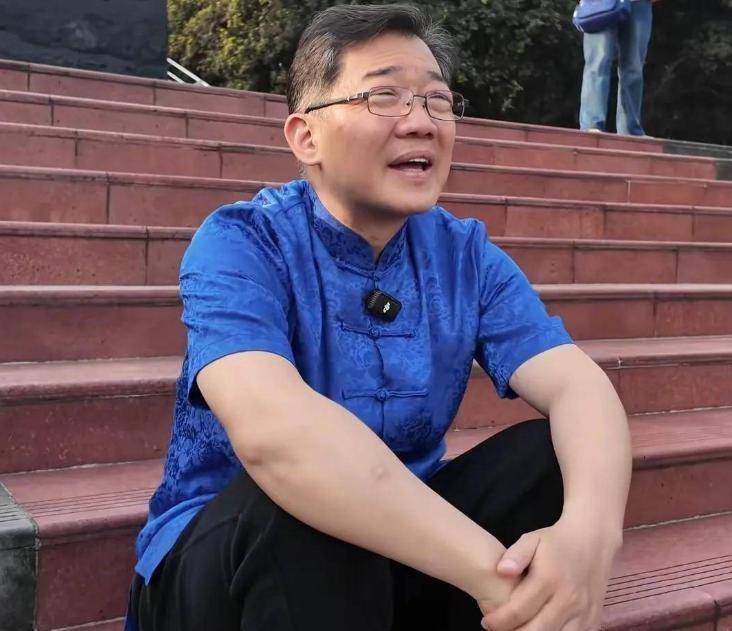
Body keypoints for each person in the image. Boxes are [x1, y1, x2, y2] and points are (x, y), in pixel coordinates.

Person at [126, 4, 633, 630]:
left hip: (399, 556)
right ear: (306, 137)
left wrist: (589, 535)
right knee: (299, 506)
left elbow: (580, 388)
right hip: (229, 565)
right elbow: (273, 437)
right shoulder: (242, 243)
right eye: (383, 97)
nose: (420, 122)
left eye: (437, 101)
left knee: (553, 457)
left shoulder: (465, 255)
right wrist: (493, 577)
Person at [579, 0, 657, 135]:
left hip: (639, 3)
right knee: (598, 62)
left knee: (634, 68)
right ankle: (591, 124)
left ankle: (630, 130)